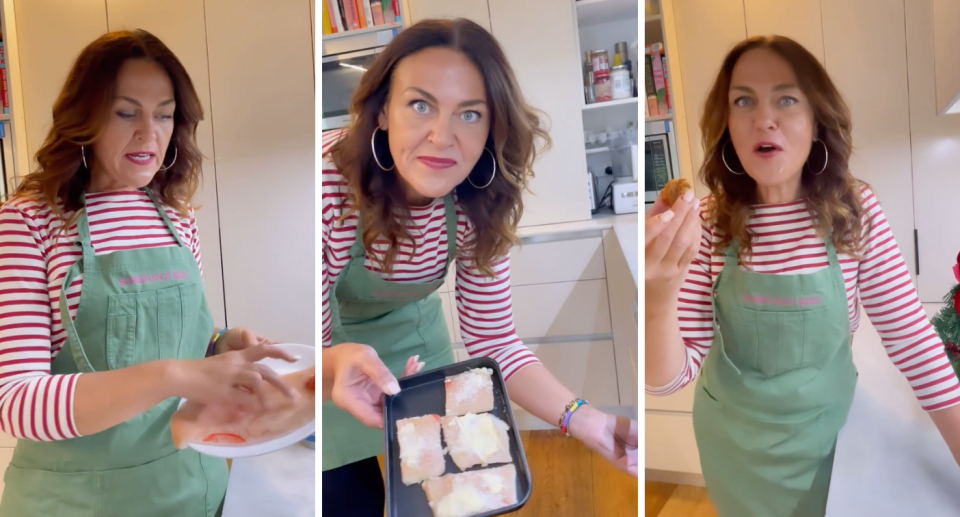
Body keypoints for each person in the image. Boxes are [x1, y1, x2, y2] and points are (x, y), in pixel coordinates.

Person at [321, 18, 639, 516]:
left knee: (447, 500)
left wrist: (587, 419)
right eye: (420, 105)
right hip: (331, 357)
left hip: (415, 348)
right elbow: (312, 345)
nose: (441, 137)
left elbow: (496, 344)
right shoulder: (330, 191)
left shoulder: (477, 200)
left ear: (493, 126)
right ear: (383, 111)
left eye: (469, 115)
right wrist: (330, 365)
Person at [645, 35, 960, 517]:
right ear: (727, 125)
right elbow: (668, 379)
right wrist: (658, 295)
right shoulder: (708, 223)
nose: (763, 118)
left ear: (816, 122)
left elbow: (913, 342)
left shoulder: (854, 212)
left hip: (830, 439)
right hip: (735, 450)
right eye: (743, 100)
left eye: (786, 99)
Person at [0, 30, 296, 517]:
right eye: (125, 112)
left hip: (190, 484)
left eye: (163, 114)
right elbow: (18, 401)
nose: (149, 133)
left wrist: (220, 344)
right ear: (85, 117)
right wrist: (175, 375)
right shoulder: (29, 221)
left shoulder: (176, 217)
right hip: (78, 500)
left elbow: (176, 346)